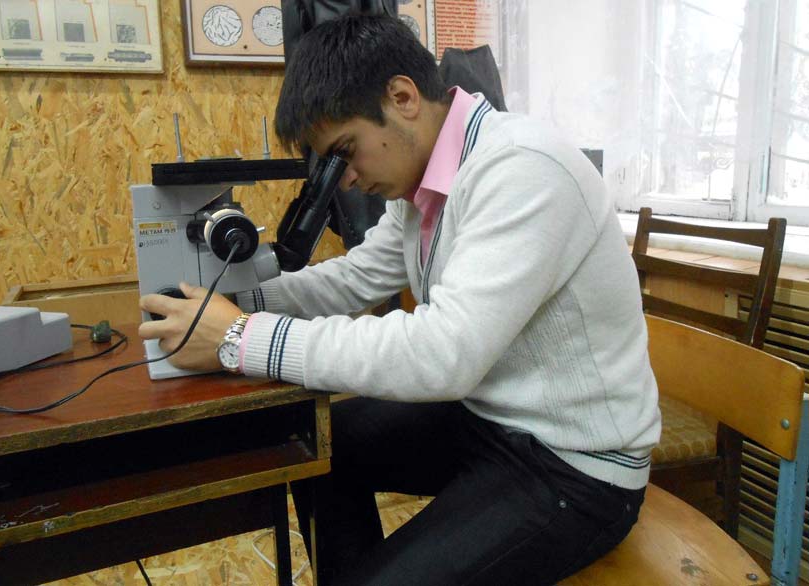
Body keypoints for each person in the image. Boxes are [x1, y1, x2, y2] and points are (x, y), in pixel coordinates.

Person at [138, 14, 661, 586]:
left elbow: (443, 353)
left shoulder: (523, 169)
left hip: (576, 468)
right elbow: (355, 278)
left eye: (346, 151)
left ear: (403, 97)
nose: (344, 180)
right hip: (489, 420)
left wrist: (240, 337)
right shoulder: (424, 183)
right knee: (318, 445)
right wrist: (237, 303)